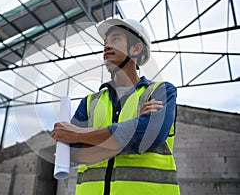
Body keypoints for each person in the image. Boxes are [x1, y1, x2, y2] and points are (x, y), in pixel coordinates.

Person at [52, 18, 180, 195]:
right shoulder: (90, 102)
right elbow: (72, 154)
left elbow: (148, 136)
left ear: (136, 49)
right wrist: (133, 128)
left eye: (116, 39)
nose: (106, 46)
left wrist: (79, 134)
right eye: (105, 42)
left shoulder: (161, 91)